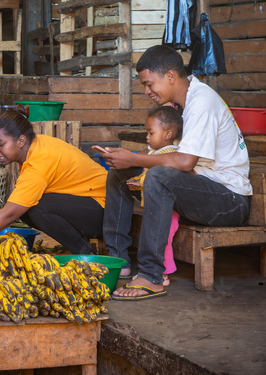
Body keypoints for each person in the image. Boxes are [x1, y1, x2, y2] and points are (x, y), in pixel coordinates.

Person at [95, 45, 251, 301]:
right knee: (118, 174)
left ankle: (151, 275)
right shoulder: (183, 104)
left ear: (170, 77)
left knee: (158, 176)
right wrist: (127, 162)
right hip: (202, 189)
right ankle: (118, 260)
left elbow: (185, 162)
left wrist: (134, 157)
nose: (146, 92)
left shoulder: (202, 101)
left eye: (148, 84)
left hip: (230, 201)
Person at [0, 106, 108, 257]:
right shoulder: (36, 145)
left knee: (35, 207)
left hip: (107, 211)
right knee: (26, 206)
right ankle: (80, 245)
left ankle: (84, 253)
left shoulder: (37, 163)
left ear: (21, 141)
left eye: (1, 144)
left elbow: (9, 214)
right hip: (91, 206)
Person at [124, 106, 183, 287]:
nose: (147, 137)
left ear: (167, 134)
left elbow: (163, 177)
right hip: (159, 205)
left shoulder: (170, 154)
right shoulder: (157, 153)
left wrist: (139, 182)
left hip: (170, 209)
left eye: (151, 133)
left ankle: (163, 274)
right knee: (160, 238)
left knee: (162, 239)